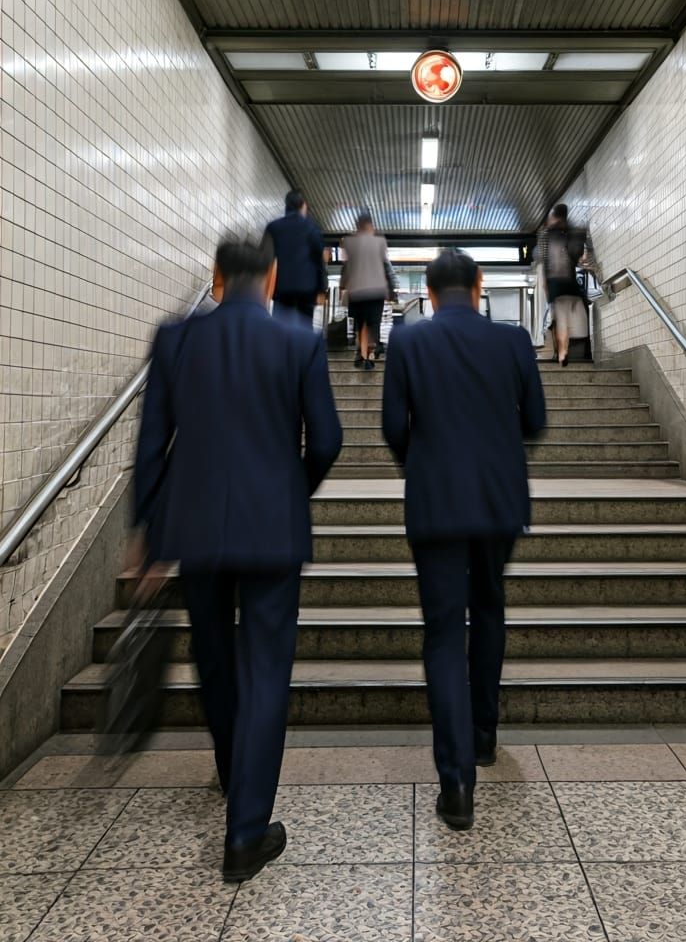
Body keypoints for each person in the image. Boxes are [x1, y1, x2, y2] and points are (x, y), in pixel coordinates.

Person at [132, 237, 342, 882]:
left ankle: (230, 771)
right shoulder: (299, 341)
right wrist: (290, 488)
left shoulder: (174, 339)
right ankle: (246, 831)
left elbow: (151, 445)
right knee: (266, 671)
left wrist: (145, 529)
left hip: (194, 530)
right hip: (272, 528)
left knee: (215, 658)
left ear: (216, 277)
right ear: (273, 279)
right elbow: (328, 440)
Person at [382, 249, 546, 831]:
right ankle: (483, 737)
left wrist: (425, 465)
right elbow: (535, 423)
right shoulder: (513, 341)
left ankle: (456, 782)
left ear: (427, 290)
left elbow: (391, 428)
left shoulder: (407, 342)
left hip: (435, 503)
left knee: (444, 632)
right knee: (491, 609)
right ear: (479, 286)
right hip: (498, 501)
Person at [340, 213, 398, 369]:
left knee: (362, 326)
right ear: (369, 226)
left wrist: (342, 285)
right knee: (373, 324)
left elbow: (346, 267)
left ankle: (364, 355)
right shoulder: (379, 241)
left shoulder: (349, 242)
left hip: (357, 291)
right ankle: (370, 357)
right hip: (375, 290)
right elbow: (386, 266)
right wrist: (392, 288)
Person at [263, 190, 328, 326]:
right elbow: (318, 261)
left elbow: (264, 259)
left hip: (281, 289)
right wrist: (322, 288)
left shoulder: (273, 227)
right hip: (307, 289)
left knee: (281, 329)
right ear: (303, 205)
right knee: (304, 329)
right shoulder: (312, 228)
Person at [538, 203, 588, 366]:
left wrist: (545, 284)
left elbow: (544, 259)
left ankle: (562, 352)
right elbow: (577, 256)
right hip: (570, 283)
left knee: (561, 320)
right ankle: (580, 347)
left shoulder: (547, 234)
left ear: (554, 215)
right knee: (574, 316)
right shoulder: (573, 232)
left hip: (555, 284)